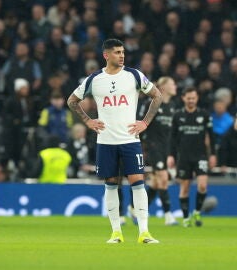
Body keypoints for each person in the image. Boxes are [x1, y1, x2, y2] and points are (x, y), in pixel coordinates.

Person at [67, 38, 162, 244]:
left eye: (123, 52)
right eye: (117, 52)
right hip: (106, 141)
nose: (122, 55)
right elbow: (72, 100)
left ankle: (144, 232)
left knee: (138, 183)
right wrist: (87, 121)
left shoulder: (134, 75)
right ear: (106, 55)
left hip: (130, 139)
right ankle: (116, 232)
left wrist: (145, 122)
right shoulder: (94, 79)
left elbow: (157, 96)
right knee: (111, 185)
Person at [167, 86, 217, 227]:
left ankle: (197, 211)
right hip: (183, 156)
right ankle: (186, 217)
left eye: (193, 98)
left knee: (202, 185)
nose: (191, 101)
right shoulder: (177, 116)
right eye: (188, 98)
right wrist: (171, 155)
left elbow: (211, 137)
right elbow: (172, 138)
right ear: (183, 98)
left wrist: (213, 154)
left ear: (197, 98)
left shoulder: (204, 115)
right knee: (185, 188)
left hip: (200, 155)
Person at [138, 76, 178, 225]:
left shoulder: (173, 106)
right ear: (164, 87)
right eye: (172, 83)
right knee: (163, 178)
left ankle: (138, 211)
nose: (175, 86)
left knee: (155, 183)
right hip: (154, 147)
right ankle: (168, 216)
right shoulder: (152, 103)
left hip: (166, 149)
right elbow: (141, 123)